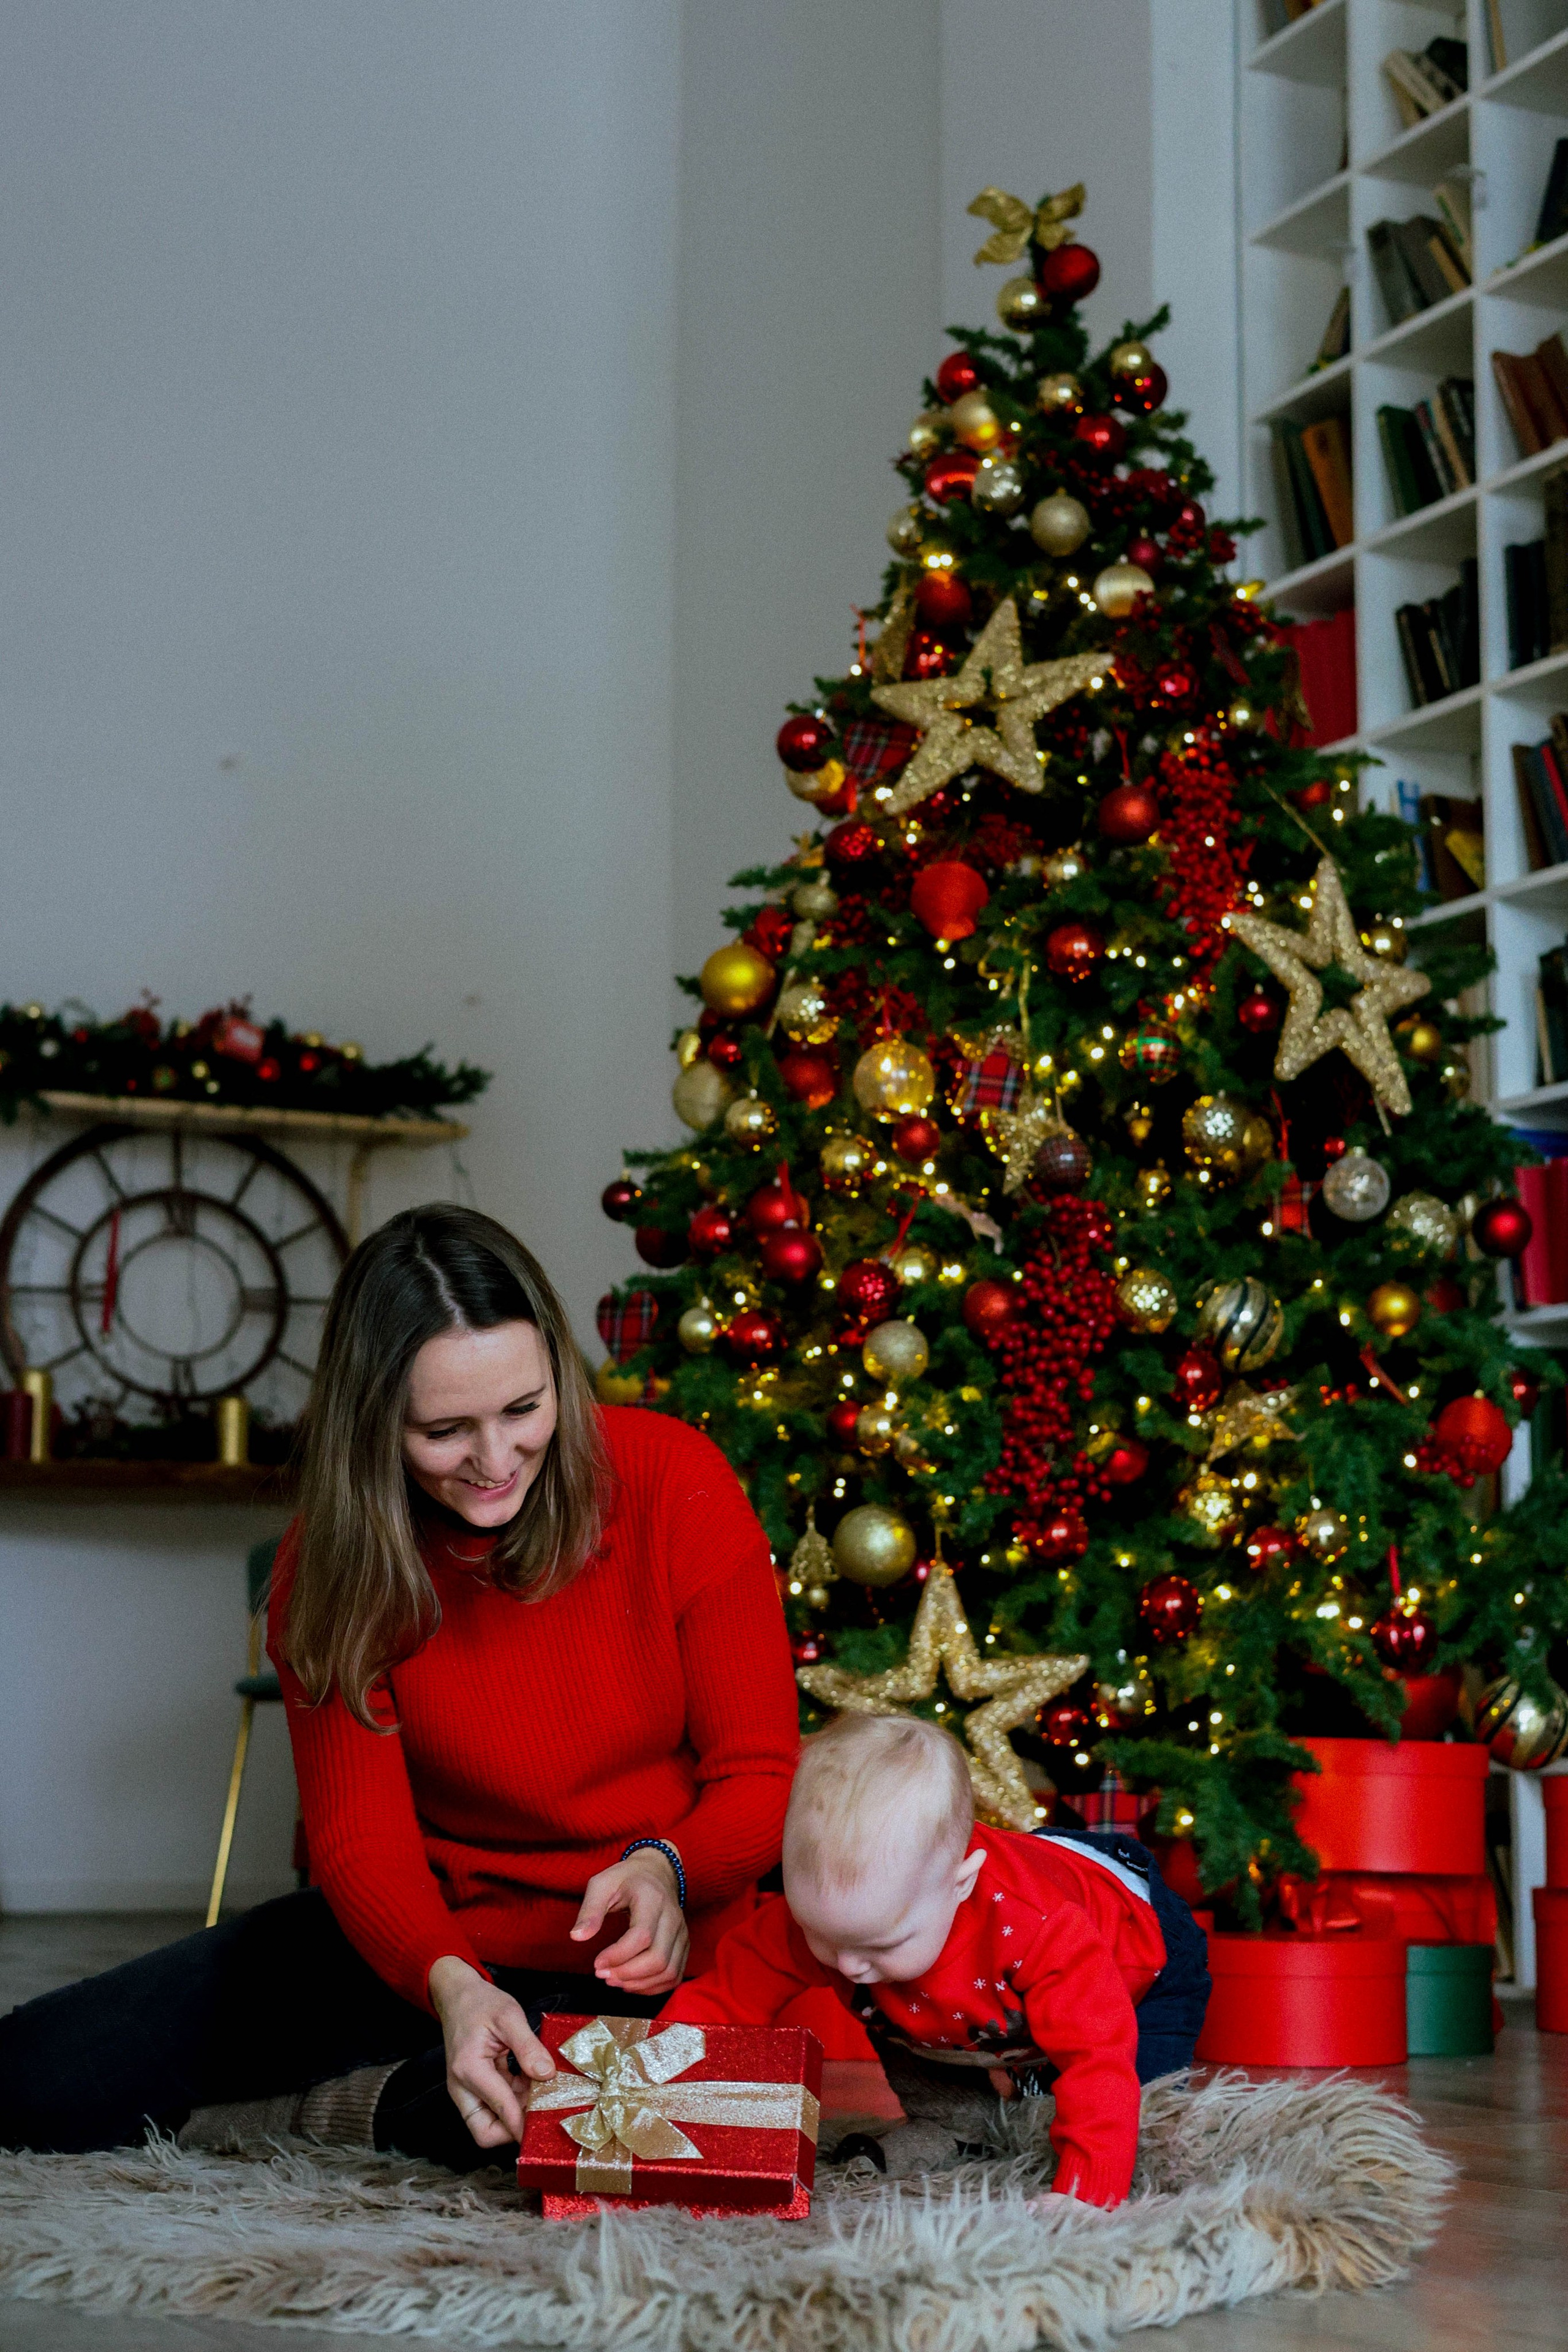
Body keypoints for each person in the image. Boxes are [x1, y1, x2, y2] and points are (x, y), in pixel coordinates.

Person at [0, 1205, 799, 2169]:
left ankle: (354, 2108)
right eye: (445, 1431)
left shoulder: (674, 1479)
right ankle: (406, 2077)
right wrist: (450, 1983)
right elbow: (361, 1843)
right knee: (30, 2080)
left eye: (524, 1410)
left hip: (645, 1957)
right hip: (423, 1946)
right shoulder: (329, 1564)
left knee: (689, 2124)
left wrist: (666, 1868)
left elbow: (759, 1776)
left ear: (559, 1374)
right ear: (376, 1420)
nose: (497, 1462)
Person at [662, 1711, 1211, 2206]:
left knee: (1138, 2111)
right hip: (972, 2000)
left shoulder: (1040, 1929)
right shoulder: (843, 1918)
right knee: (897, 2002)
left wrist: (1087, 2196)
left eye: (880, 1944)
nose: (848, 1965)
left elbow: (1098, 2058)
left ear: (960, 1885)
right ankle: (955, 2127)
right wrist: (650, 2081)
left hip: (1142, 1961)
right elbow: (722, 1998)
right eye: (821, 1937)